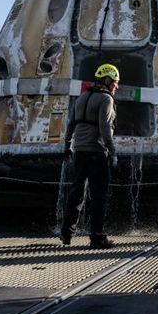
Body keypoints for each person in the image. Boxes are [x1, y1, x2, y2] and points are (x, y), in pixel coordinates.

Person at [60, 63, 120, 249]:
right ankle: (97, 237)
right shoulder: (106, 99)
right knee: (99, 195)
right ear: (108, 81)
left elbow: (71, 123)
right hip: (96, 152)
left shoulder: (82, 97)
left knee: (76, 192)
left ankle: (67, 233)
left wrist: (67, 145)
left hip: (80, 151)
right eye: (116, 83)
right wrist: (112, 151)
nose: (117, 87)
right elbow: (104, 128)